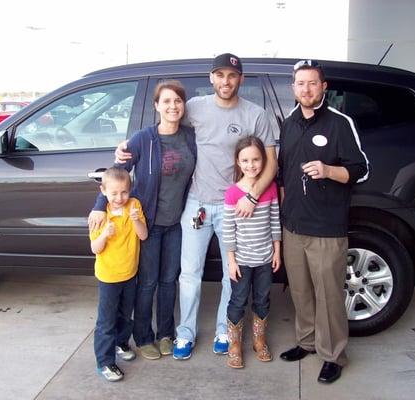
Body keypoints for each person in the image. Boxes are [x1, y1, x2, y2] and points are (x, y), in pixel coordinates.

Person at [114, 53, 277, 360]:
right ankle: (185, 333)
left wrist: (252, 194)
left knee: (234, 273)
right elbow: (165, 123)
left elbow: (271, 161)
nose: (225, 81)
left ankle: (223, 330)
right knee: (189, 273)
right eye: (220, 75)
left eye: (232, 75)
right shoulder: (194, 108)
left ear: (241, 79)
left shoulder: (256, 114)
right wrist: (127, 145)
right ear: (211, 78)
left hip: (235, 207)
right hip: (197, 203)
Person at [89, 81, 197, 360]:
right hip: (147, 224)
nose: (173, 106)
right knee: (147, 282)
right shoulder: (142, 139)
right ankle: (143, 336)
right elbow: (116, 174)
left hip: (177, 224)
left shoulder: (190, 137)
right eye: (167, 101)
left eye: (178, 101)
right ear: (156, 106)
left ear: (183, 106)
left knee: (169, 281)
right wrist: (101, 205)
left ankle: (165, 334)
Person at [278, 60, 369, 384]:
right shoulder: (288, 124)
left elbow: (361, 169)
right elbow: (283, 173)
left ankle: (332, 355)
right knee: (300, 292)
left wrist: (329, 170)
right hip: (294, 227)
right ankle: (306, 342)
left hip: (327, 229)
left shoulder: (339, 124)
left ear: (323, 87)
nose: (306, 89)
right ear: (293, 88)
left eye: (312, 83)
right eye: (300, 83)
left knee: (329, 295)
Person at [222, 136, 281, 369]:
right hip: (242, 260)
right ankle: (234, 345)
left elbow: (275, 220)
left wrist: (277, 251)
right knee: (238, 300)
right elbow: (228, 229)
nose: (251, 165)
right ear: (237, 162)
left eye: (256, 159)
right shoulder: (232, 193)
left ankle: (259, 340)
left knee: (262, 299)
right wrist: (231, 260)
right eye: (245, 160)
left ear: (264, 160)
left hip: (265, 257)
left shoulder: (270, 189)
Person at [89, 167, 148, 382]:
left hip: (130, 273)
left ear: (129, 190)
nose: (119, 197)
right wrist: (104, 234)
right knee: (106, 321)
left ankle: (121, 342)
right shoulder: (99, 215)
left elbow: (143, 235)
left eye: (124, 192)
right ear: (103, 191)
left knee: (125, 314)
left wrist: (136, 220)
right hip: (108, 277)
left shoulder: (134, 205)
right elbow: (95, 248)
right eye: (114, 193)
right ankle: (104, 361)